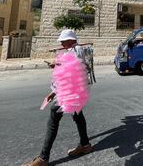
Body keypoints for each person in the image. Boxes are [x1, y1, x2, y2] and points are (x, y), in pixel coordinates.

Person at [24, 29, 92, 166]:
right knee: (78, 116)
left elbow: (74, 69)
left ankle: (43, 158)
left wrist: (58, 66)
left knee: (53, 120)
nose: (61, 42)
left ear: (70, 40)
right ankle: (85, 145)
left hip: (70, 93)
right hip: (73, 91)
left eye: (63, 40)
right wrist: (53, 91)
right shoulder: (73, 50)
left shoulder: (77, 50)